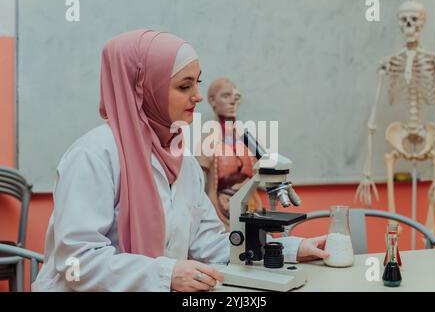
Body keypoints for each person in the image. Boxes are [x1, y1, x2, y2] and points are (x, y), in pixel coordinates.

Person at [32, 29, 329, 292]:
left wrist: (290, 250)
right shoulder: (94, 155)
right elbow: (77, 262)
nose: (198, 96)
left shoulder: (182, 161)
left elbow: (209, 244)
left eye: (197, 83)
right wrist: (167, 273)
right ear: (142, 91)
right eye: (184, 86)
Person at [196, 78, 263, 230]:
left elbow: (261, 173)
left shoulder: (250, 141)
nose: (232, 102)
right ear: (212, 101)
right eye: (226, 96)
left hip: (251, 208)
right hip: (221, 213)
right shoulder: (207, 143)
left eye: (235, 97)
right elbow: (199, 186)